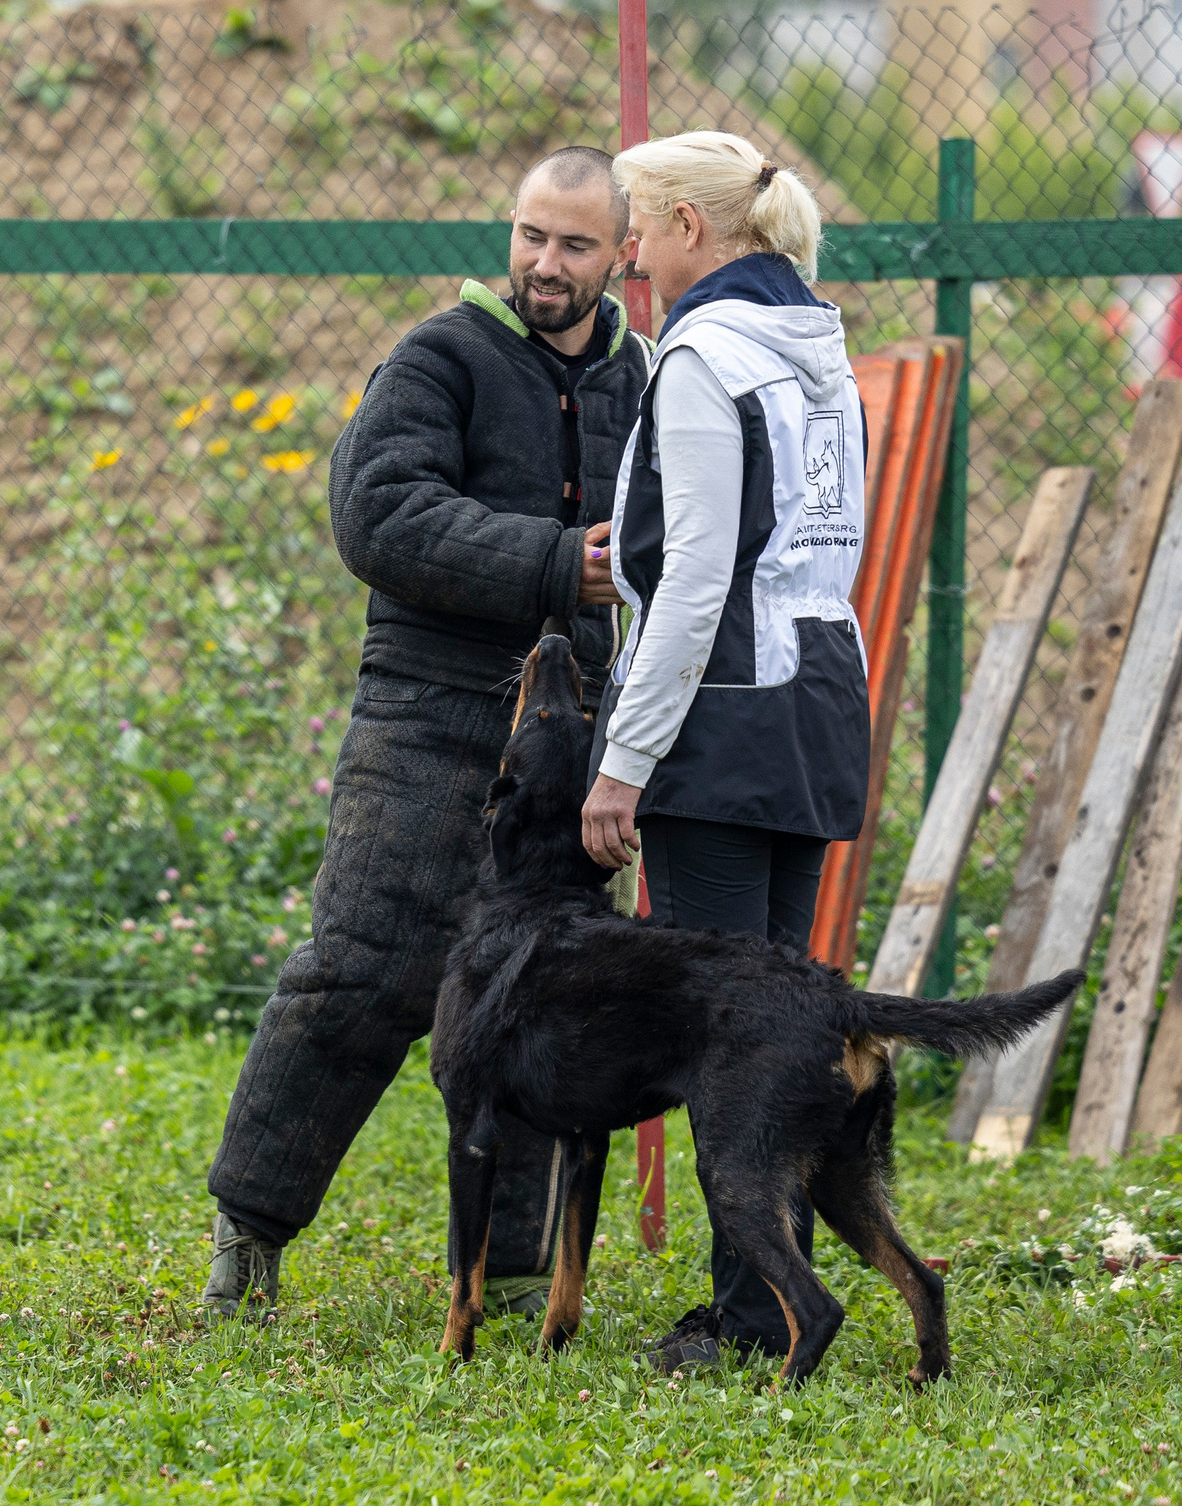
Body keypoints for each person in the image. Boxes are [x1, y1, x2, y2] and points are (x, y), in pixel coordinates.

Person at [200, 147, 653, 1324]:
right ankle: (248, 1229)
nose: (543, 264)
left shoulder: (644, 376)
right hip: (428, 713)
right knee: (359, 971)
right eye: (529, 236)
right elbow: (378, 515)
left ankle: (509, 1267)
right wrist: (561, 562)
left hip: (568, 733)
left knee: (542, 987)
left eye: (573, 245)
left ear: (623, 255)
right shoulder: (436, 356)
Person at [578, 130, 870, 1372]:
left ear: (692, 229)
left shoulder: (702, 355)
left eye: (636, 225)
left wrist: (623, 759)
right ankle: (773, 1300)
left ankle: (750, 1318)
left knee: (726, 1039)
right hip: (812, 701)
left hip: (720, 715)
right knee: (779, 1023)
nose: (627, 250)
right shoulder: (819, 345)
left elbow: (692, 579)